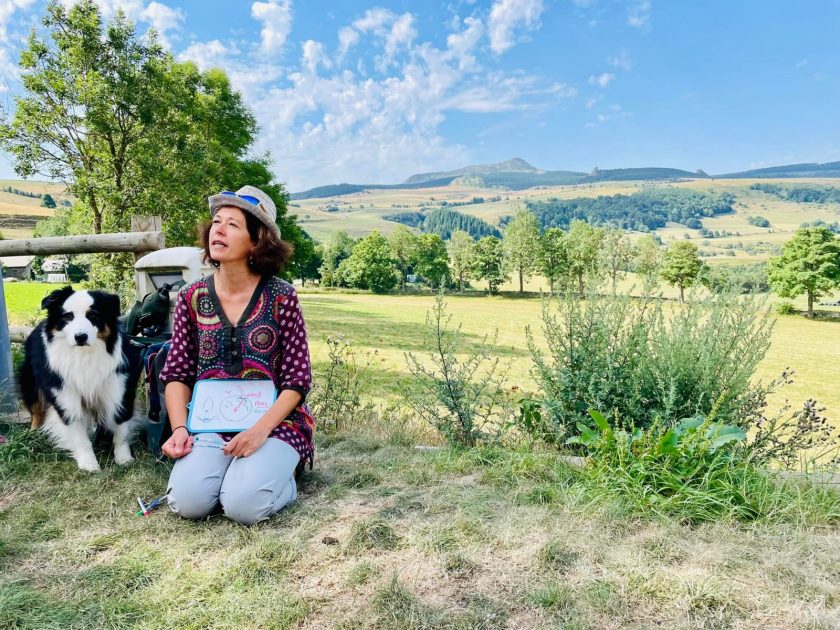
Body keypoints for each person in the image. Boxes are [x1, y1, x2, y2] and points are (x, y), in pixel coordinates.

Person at [158, 185, 315, 525]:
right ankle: (238, 475)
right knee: (187, 502)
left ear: (256, 242)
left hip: (275, 425)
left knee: (243, 507)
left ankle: (283, 478)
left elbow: (297, 380)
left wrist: (259, 431)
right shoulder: (190, 297)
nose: (219, 229)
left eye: (233, 224)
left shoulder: (282, 297)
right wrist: (180, 428)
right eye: (217, 221)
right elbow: (176, 372)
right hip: (208, 426)